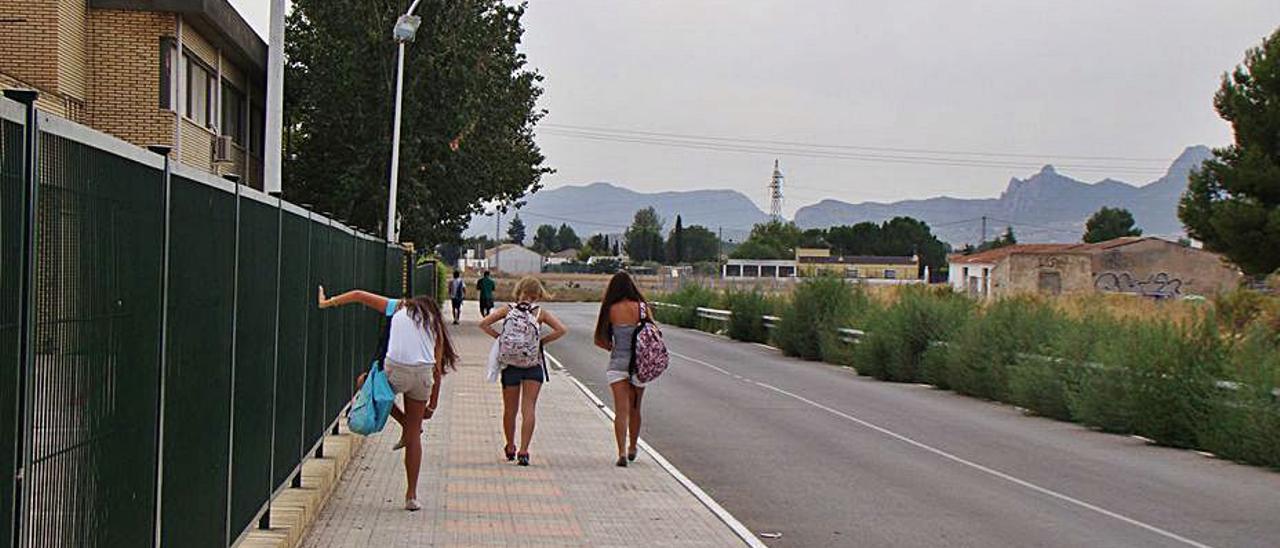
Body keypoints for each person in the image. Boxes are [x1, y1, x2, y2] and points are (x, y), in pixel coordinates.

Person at [318, 286, 458, 511]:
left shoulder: (399, 306)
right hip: (423, 374)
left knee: (365, 382)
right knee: (414, 435)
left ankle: (403, 421)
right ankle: (411, 495)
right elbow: (437, 367)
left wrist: (328, 302)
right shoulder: (433, 322)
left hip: (397, 371)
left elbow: (358, 295)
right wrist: (433, 402)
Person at [478, 277, 567, 466]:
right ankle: (524, 451)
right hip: (533, 366)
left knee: (510, 410)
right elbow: (561, 330)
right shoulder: (540, 313)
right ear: (538, 295)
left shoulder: (507, 310)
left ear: (519, 291)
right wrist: (541, 342)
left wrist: (500, 339)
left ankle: (510, 446)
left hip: (511, 367)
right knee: (529, 409)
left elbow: (483, 324)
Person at [593, 271, 651, 467]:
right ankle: (633, 447)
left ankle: (621, 453)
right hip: (640, 365)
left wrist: (613, 347)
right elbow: (654, 334)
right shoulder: (643, 309)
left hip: (618, 363)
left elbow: (598, 339)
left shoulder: (611, 309)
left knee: (621, 410)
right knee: (636, 408)